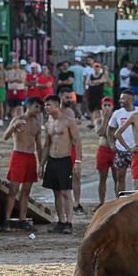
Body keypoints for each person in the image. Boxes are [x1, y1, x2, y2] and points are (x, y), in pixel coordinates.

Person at [2, 97, 44, 231]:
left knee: (26, 191)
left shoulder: (37, 125)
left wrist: (41, 164)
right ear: (29, 105)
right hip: (18, 155)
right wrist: (13, 127)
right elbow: (5, 137)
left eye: (40, 108)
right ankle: (7, 220)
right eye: (36, 107)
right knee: (13, 190)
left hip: (30, 156)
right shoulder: (17, 120)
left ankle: (22, 219)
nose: (38, 110)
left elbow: (39, 146)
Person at [40, 94, 80, 233]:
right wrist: (41, 164)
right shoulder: (48, 122)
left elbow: (77, 141)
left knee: (66, 192)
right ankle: (61, 221)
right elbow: (46, 145)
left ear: (57, 105)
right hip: (52, 159)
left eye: (48, 105)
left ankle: (69, 222)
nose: (46, 107)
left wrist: (78, 161)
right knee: (56, 192)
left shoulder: (68, 121)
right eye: (45, 105)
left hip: (65, 159)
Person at [107, 90, 136, 194]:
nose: (121, 100)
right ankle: (120, 199)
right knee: (120, 177)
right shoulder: (117, 113)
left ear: (132, 99)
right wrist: (111, 143)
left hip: (135, 149)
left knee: (137, 177)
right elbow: (110, 129)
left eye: (124, 98)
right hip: (121, 149)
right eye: (120, 98)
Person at [93, 97, 117, 205]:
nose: (107, 107)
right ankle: (101, 202)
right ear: (102, 107)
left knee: (117, 177)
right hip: (103, 149)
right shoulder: (98, 120)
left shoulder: (116, 118)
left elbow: (114, 134)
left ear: (112, 107)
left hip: (115, 150)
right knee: (102, 177)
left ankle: (118, 201)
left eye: (109, 105)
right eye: (105, 105)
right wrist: (105, 119)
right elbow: (100, 133)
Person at [86, 61, 109, 129]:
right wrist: (96, 82)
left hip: (99, 94)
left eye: (98, 66)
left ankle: (103, 123)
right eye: (95, 66)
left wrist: (93, 82)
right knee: (91, 109)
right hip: (92, 94)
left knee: (101, 109)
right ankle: (92, 123)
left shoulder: (102, 75)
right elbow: (87, 82)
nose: (96, 68)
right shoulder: (91, 75)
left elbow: (103, 80)